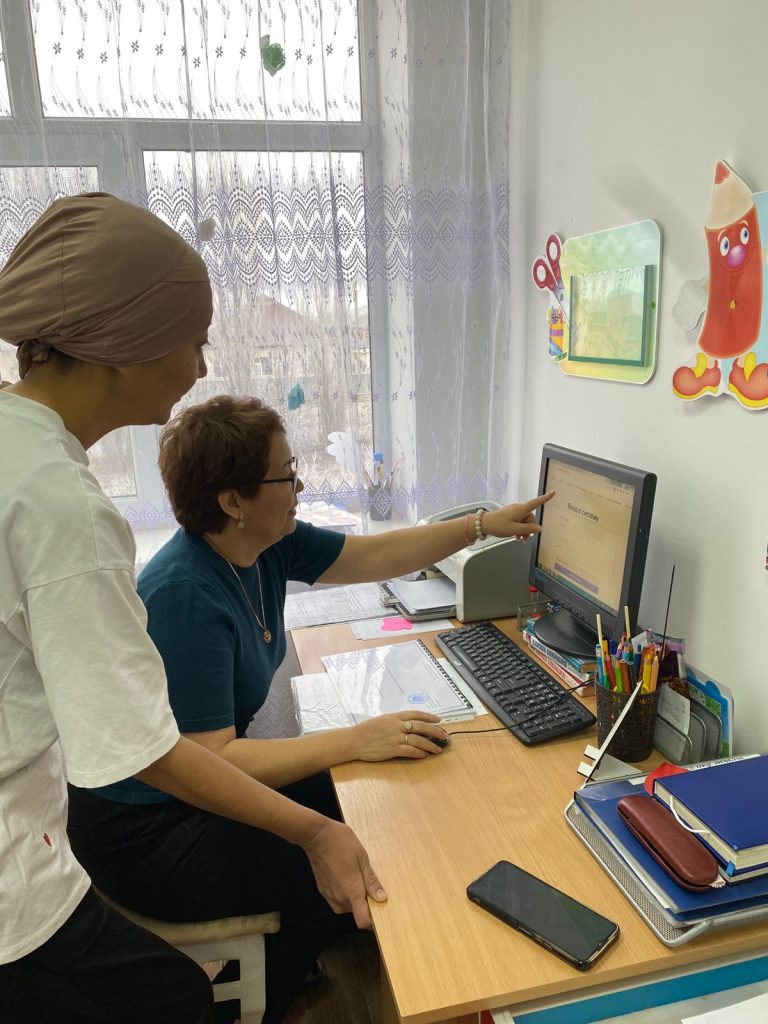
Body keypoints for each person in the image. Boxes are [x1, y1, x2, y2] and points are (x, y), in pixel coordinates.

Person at [0, 194, 386, 1024]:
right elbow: (145, 751)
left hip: (44, 829)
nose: (203, 367)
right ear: (127, 345)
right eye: (195, 340)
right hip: (23, 878)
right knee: (180, 999)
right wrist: (314, 832)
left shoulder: (19, 446)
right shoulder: (62, 505)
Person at [66, 394, 553, 1011]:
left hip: (199, 791)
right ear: (233, 501)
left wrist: (479, 526)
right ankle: (257, 1000)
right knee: (352, 854)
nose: (300, 487)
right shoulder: (184, 594)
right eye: (286, 476)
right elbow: (215, 760)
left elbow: (373, 556)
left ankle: (320, 946)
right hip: (148, 831)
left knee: (370, 804)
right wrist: (356, 739)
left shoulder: (266, 544)